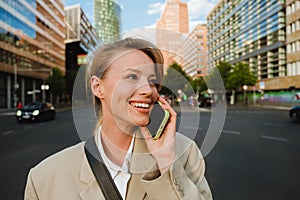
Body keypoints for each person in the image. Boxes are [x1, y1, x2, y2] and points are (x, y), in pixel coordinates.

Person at [24, 38, 212, 200]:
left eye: (153, 81)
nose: (148, 90)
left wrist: (166, 163)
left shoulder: (184, 152)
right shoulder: (43, 178)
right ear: (98, 87)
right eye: (131, 76)